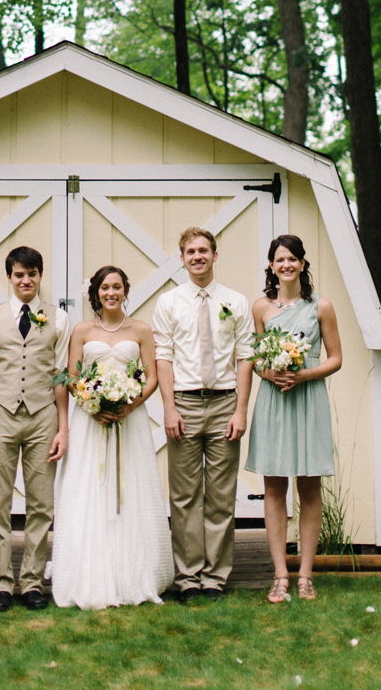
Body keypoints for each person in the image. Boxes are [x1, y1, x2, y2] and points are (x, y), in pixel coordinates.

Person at [52, 266, 174, 609]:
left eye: (117, 287)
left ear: (125, 291)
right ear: (96, 292)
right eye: (105, 287)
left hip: (128, 420)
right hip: (90, 421)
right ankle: (89, 574)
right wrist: (90, 404)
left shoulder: (141, 329)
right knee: (89, 490)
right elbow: (72, 376)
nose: (111, 293)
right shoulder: (81, 330)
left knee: (130, 489)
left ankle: (132, 574)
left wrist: (129, 404)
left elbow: (149, 376)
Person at [153, 227, 255, 602]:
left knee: (221, 495)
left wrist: (241, 410)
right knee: (184, 496)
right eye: (190, 252)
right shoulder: (169, 302)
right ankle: (189, 575)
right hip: (184, 403)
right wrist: (168, 408)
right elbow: (163, 355)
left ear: (215, 255)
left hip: (226, 402)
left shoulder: (236, 301)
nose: (197, 257)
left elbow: (245, 356)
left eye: (203, 251)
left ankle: (215, 575)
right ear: (181, 259)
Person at [246, 234, 342, 603]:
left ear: (302, 263)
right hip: (273, 400)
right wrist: (268, 372)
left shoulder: (321, 306)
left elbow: (335, 358)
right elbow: (256, 358)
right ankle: (280, 575)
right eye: (279, 260)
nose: (286, 265)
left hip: (307, 398)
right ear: (271, 266)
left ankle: (305, 575)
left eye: (292, 259)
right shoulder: (261, 308)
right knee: (274, 486)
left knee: (309, 486)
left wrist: (303, 374)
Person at [0, 244, 70, 611]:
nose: (26, 280)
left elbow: (60, 377)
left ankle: (31, 581)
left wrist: (63, 428)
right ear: (10, 277)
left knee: (41, 503)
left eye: (32, 274)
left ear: (40, 276)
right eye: (19, 274)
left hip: (43, 414)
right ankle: (0, 583)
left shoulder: (59, 319)